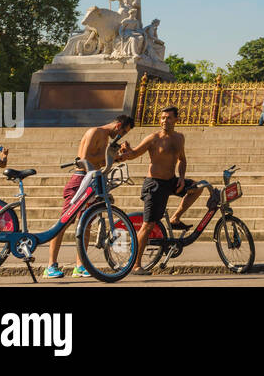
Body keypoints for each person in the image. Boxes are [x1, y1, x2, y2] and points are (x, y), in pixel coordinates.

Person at [42, 114, 135, 279]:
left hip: (92, 181)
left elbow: (99, 162)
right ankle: (50, 265)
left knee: (86, 224)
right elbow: (83, 159)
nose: (121, 136)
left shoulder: (105, 138)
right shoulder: (95, 132)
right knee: (63, 223)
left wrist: (117, 157)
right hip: (80, 179)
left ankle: (80, 266)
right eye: (123, 132)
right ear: (118, 125)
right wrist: (110, 156)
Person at [119, 106, 204, 275]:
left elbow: (182, 160)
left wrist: (181, 177)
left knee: (197, 187)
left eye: (169, 118)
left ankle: (175, 218)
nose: (165, 121)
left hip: (171, 181)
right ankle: (135, 265)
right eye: (163, 118)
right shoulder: (154, 138)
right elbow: (135, 153)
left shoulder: (179, 138)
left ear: (176, 120)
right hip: (155, 185)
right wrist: (126, 151)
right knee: (148, 225)